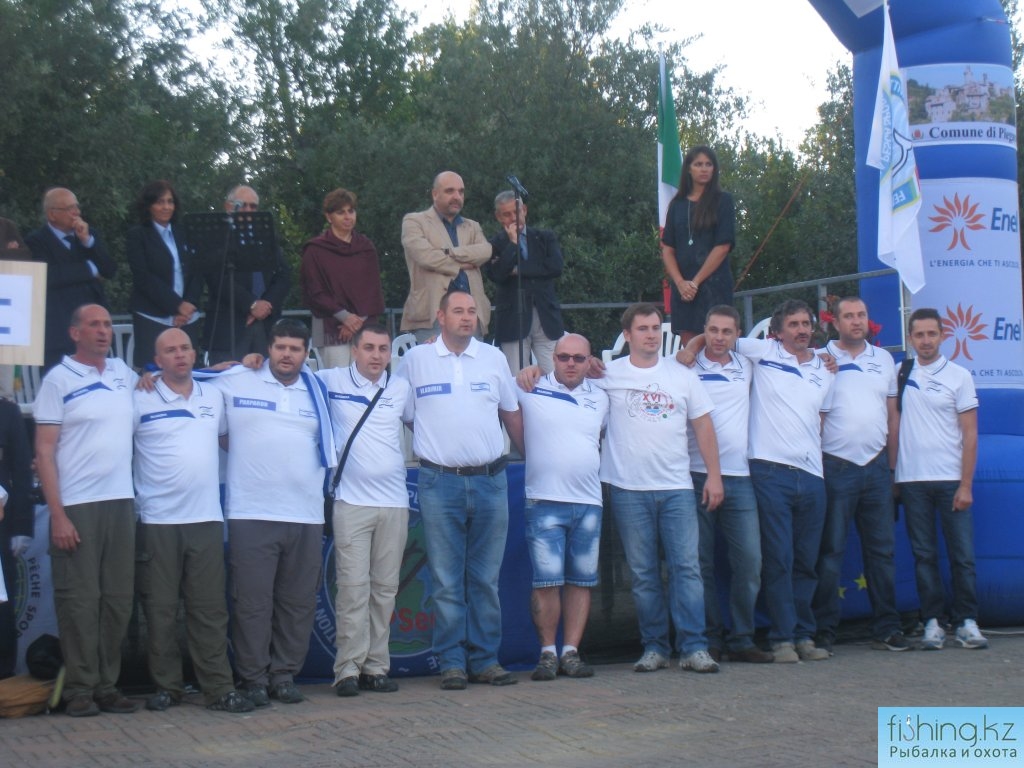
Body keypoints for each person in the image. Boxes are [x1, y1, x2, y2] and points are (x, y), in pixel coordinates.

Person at [396, 289, 524, 689]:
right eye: (458, 311)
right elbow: (405, 414)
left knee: (485, 579)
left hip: (490, 480)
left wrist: (532, 459)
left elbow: (511, 412)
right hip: (439, 481)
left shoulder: (494, 358)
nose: (467, 317)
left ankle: (485, 660)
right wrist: (442, 443)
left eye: (472, 311)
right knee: (446, 580)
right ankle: (452, 662)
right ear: (440, 316)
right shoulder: (415, 361)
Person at [211, 318, 334, 705]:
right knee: (252, 603)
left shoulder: (318, 389)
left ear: (306, 353)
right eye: (280, 347)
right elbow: (188, 385)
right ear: (268, 349)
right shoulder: (237, 380)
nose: (287, 354)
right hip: (252, 511)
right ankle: (254, 678)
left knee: (297, 603)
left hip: (306, 513)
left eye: (295, 349)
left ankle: (283, 675)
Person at [133, 328, 254, 714]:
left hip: (205, 518)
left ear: (194, 353)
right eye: (170, 350)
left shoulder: (213, 395)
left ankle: (218, 688)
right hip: (157, 520)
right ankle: (167, 687)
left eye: (185, 348)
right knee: (161, 610)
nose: (179, 355)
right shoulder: (139, 396)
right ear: (158, 360)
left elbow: (229, 440)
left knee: (209, 609)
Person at [599, 303, 723, 674]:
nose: (651, 335)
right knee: (643, 574)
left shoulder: (682, 374)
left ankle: (694, 647)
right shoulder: (607, 374)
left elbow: (703, 425)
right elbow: (568, 385)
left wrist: (714, 475)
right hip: (628, 489)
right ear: (627, 335)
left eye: (655, 327)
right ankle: (654, 647)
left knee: (687, 569)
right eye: (642, 329)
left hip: (677, 488)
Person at [32, 304, 139, 717]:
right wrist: (57, 514)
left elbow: (170, 380)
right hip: (77, 504)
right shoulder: (57, 380)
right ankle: (79, 689)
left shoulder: (123, 374)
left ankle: (107, 686)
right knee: (79, 601)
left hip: (121, 501)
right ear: (75, 332)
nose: (103, 331)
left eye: (108, 324)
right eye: (94, 324)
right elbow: (44, 452)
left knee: (117, 600)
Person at [729, 299, 834, 663]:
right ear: (777, 331)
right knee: (779, 559)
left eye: (806, 323)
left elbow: (820, 421)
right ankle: (782, 639)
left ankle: (804, 636)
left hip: (813, 475)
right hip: (770, 472)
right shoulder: (763, 351)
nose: (802, 330)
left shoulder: (825, 367)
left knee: (806, 562)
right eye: (794, 324)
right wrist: (688, 350)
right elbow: (717, 338)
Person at [318, 323, 411, 697]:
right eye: (369, 348)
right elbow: (284, 377)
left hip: (395, 502)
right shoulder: (330, 380)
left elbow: (421, 421)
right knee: (353, 589)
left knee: (385, 590)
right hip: (351, 502)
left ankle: (376, 667)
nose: (376, 355)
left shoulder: (400, 387)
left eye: (383, 349)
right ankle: (347, 670)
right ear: (354, 350)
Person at [812, 297, 908, 654]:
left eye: (861, 315)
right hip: (835, 466)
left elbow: (893, 416)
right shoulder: (819, 359)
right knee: (830, 552)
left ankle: (887, 628)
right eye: (849, 316)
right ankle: (823, 631)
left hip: (877, 467)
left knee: (882, 552)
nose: (856, 321)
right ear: (835, 323)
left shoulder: (883, 360)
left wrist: (893, 469)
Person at [516, 334, 608, 680]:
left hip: (589, 501)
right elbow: (496, 395)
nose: (571, 363)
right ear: (552, 358)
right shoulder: (529, 386)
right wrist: (527, 371)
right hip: (544, 499)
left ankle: (570, 652)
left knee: (581, 581)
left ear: (590, 361)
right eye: (564, 357)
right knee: (546, 582)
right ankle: (547, 653)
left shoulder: (602, 394)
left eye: (579, 358)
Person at [896, 308, 987, 651]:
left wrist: (966, 484)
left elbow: (971, 435)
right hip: (912, 480)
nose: (926, 340)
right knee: (924, 556)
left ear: (942, 335)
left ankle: (967, 621)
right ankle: (932, 622)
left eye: (931, 334)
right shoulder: (900, 372)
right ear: (910, 338)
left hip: (951, 479)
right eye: (919, 335)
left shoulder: (959, 376)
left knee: (962, 555)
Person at [687, 306, 773, 664]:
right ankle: (710, 639)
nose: (719, 337)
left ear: (738, 335)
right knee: (700, 563)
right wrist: (691, 347)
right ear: (704, 330)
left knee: (750, 562)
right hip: (694, 475)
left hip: (740, 477)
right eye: (712, 330)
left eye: (726, 331)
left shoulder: (748, 364)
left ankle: (742, 638)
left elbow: (795, 350)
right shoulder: (686, 366)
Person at [25, 188, 116, 371]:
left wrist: (87, 241)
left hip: (93, 330)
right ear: (52, 214)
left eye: (77, 207)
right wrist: (90, 269)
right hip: (58, 331)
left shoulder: (89, 235)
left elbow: (109, 270)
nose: (76, 213)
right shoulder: (36, 241)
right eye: (69, 209)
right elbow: (48, 276)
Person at [400, 171, 493, 342]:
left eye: (461, 191)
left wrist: (449, 252)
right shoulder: (414, 221)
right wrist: (462, 264)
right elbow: (426, 256)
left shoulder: (472, 226)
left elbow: (486, 251)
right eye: (450, 191)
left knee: (471, 360)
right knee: (433, 360)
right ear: (435, 194)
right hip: (432, 314)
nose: (457, 196)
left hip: (472, 314)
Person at [203, 185, 291, 364]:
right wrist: (251, 304)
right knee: (230, 376)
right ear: (228, 206)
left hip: (266, 325)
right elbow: (216, 278)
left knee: (266, 377)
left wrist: (266, 305)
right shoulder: (216, 236)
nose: (249, 210)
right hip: (229, 325)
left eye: (253, 206)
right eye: (243, 205)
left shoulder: (266, 235)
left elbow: (284, 275)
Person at [300, 188, 385, 369]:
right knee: (336, 380)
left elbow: (373, 290)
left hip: (364, 326)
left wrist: (356, 321)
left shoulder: (366, 247)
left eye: (351, 211)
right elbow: (314, 291)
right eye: (341, 212)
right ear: (329, 217)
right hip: (329, 328)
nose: (347, 217)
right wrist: (345, 317)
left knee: (365, 378)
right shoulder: (315, 250)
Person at [660, 145, 735, 345]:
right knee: (689, 349)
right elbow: (667, 249)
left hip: (714, 285)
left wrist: (695, 282)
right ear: (689, 168)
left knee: (717, 343)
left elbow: (723, 246)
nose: (704, 169)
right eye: (698, 164)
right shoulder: (677, 205)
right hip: (683, 289)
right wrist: (680, 283)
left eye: (708, 164)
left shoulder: (723, 201)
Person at [126, 180, 203, 370]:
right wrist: (177, 305)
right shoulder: (138, 235)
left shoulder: (185, 233)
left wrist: (188, 305)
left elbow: (198, 271)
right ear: (148, 205)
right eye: (160, 202)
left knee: (188, 372)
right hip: (153, 317)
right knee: (154, 375)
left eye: (170, 201)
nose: (166, 207)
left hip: (187, 318)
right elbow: (144, 278)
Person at [485, 190, 565, 374]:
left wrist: (517, 270)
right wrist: (513, 244)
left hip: (546, 316)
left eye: (517, 212)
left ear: (525, 210)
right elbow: (497, 275)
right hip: (513, 319)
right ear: (498, 217)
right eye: (507, 214)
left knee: (555, 375)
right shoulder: (494, 244)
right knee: (517, 377)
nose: (514, 218)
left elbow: (555, 267)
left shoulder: (545, 237)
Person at [0, 397, 32, 679]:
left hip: (2, 521)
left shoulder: (7, 411)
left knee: (2, 602)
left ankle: (3, 676)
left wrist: (22, 525)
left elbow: (21, 471)